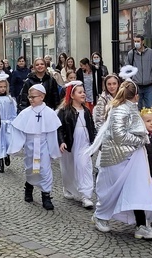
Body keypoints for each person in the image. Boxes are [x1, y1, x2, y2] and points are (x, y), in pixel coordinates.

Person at [87, 67, 152, 240]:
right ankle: (100, 216)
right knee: (112, 190)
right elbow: (118, 135)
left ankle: (142, 224)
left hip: (132, 158)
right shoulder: (120, 109)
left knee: (138, 189)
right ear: (135, 95)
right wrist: (140, 141)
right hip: (117, 159)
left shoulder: (130, 107)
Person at [8, 84, 62, 210]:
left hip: (43, 147)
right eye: (29, 97)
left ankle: (46, 195)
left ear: (42, 97)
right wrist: (16, 146)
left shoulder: (49, 113)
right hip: (30, 147)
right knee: (31, 168)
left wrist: (53, 150)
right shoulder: (25, 113)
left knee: (44, 170)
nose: (30, 99)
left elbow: (52, 133)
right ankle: (29, 186)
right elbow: (19, 130)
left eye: (33, 97)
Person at [57, 80, 96, 209]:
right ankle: (68, 187)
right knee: (69, 167)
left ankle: (86, 195)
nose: (83, 94)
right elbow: (60, 128)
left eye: (83, 92)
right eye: (80, 92)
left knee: (84, 166)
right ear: (72, 95)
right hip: (71, 142)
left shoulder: (86, 110)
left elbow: (91, 127)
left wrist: (94, 141)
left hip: (84, 143)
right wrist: (62, 141)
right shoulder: (64, 111)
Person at [125, 34, 152, 110]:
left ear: (142, 42)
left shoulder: (150, 52)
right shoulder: (131, 54)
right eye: (135, 41)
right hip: (136, 86)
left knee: (150, 107)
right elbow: (128, 68)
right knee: (137, 107)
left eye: (138, 41)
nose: (136, 43)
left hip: (148, 86)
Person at [0, 74, 17, 173]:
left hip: (8, 124)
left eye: (4, 87)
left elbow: (13, 112)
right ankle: (0, 162)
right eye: (0, 87)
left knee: (7, 141)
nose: (2, 89)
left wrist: (13, 122)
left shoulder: (10, 99)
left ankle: (7, 154)